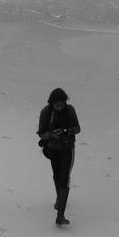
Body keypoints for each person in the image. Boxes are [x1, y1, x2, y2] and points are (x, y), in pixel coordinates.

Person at [37, 88, 80, 226]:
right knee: (57, 175)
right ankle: (59, 199)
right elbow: (41, 133)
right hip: (53, 148)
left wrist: (71, 130)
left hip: (68, 148)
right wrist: (51, 135)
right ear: (52, 103)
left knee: (65, 177)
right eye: (57, 105)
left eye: (62, 104)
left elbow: (78, 128)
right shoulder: (45, 112)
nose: (60, 107)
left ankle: (60, 214)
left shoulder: (70, 110)